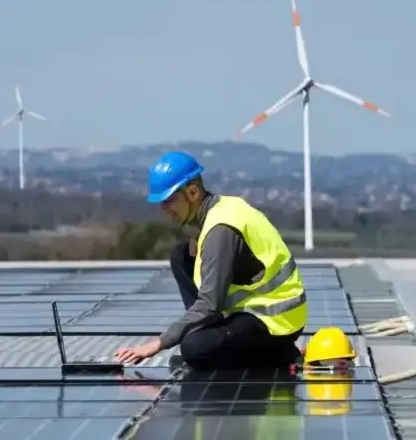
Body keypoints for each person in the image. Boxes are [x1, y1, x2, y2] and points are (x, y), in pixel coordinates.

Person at [113, 151, 308, 369]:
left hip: (276, 321)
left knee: (195, 348)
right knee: (181, 256)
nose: (164, 209)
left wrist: (159, 342)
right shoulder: (221, 207)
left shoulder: (221, 229)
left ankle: (281, 354)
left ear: (193, 192)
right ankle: (211, 335)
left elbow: (210, 304)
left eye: (169, 200)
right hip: (256, 311)